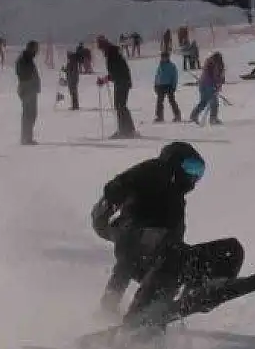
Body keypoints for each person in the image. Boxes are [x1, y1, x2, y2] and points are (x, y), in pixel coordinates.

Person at [91, 142, 244, 333]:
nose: (194, 176)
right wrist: (109, 302)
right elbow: (125, 262)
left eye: (199, 171)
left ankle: (206, 287)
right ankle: (137, 325)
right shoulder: (151, 182)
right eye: (190, 167)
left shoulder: (176, 207)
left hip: (168, 268)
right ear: (174, 164)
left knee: (231, 250)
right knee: (170, 256)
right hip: (150, 266)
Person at [15, 40, 40, 146]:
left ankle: (28, 136)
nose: (37, 51)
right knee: (28, 113)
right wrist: (31, 81)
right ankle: (25, 138)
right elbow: (23, 73)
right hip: (27, 88)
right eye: (36, 48)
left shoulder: (28, 58)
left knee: (32, 113)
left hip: (30, 88)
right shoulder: (24, 58)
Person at [153, 50, 181, 122]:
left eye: (165, 57)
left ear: (168, 57)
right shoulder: (160, 65)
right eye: (162, 57)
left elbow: (175, 76)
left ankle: (177, 115)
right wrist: (156, 84)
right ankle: (159, 116)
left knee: (171, 101)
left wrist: (174, 86)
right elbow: (157, 76)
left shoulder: (171, 66)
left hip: (169, 85)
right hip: (160, 86)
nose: (163, 59)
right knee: (159, 102)